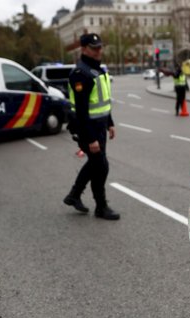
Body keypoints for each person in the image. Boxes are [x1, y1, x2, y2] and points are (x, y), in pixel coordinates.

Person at [63, 33, 120, 220]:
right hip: (88, 128)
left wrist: (110, 123)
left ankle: (74, 195)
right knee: (101, 166)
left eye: (100, 47)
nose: (99, 51)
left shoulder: (98, 70)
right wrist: (90, 138)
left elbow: (103, 102)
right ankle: (100, 207)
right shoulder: (81, 73)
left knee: (96, 164)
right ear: (84, 49)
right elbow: (81, 112)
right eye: (94, 48)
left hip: (100, 126)